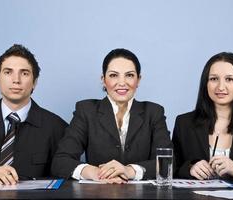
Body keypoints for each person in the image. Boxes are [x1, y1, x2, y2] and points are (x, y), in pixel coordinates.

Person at [51, 48, 172, 183]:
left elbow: (167, 162)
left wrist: (129, 171)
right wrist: (96, 173)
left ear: (138, 80)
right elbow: (60, 161)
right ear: (103, 79)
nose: (122, 82)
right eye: (114, 75)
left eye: (129, 75)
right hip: (98, 193)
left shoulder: (154, 112)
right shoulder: (86, 110)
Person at [0, 44, 68, 185]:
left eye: (24, 73)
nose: (16, 80)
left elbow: (66, 175)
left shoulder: (57, 128)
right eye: (8, 72)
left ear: (35, 82)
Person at [172, 52, 233, 180]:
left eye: (229, 79)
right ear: (205, 83)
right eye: (214, 79)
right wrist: (190, 168)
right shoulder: (184, 123)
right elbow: (172, 168)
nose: (220, 87)